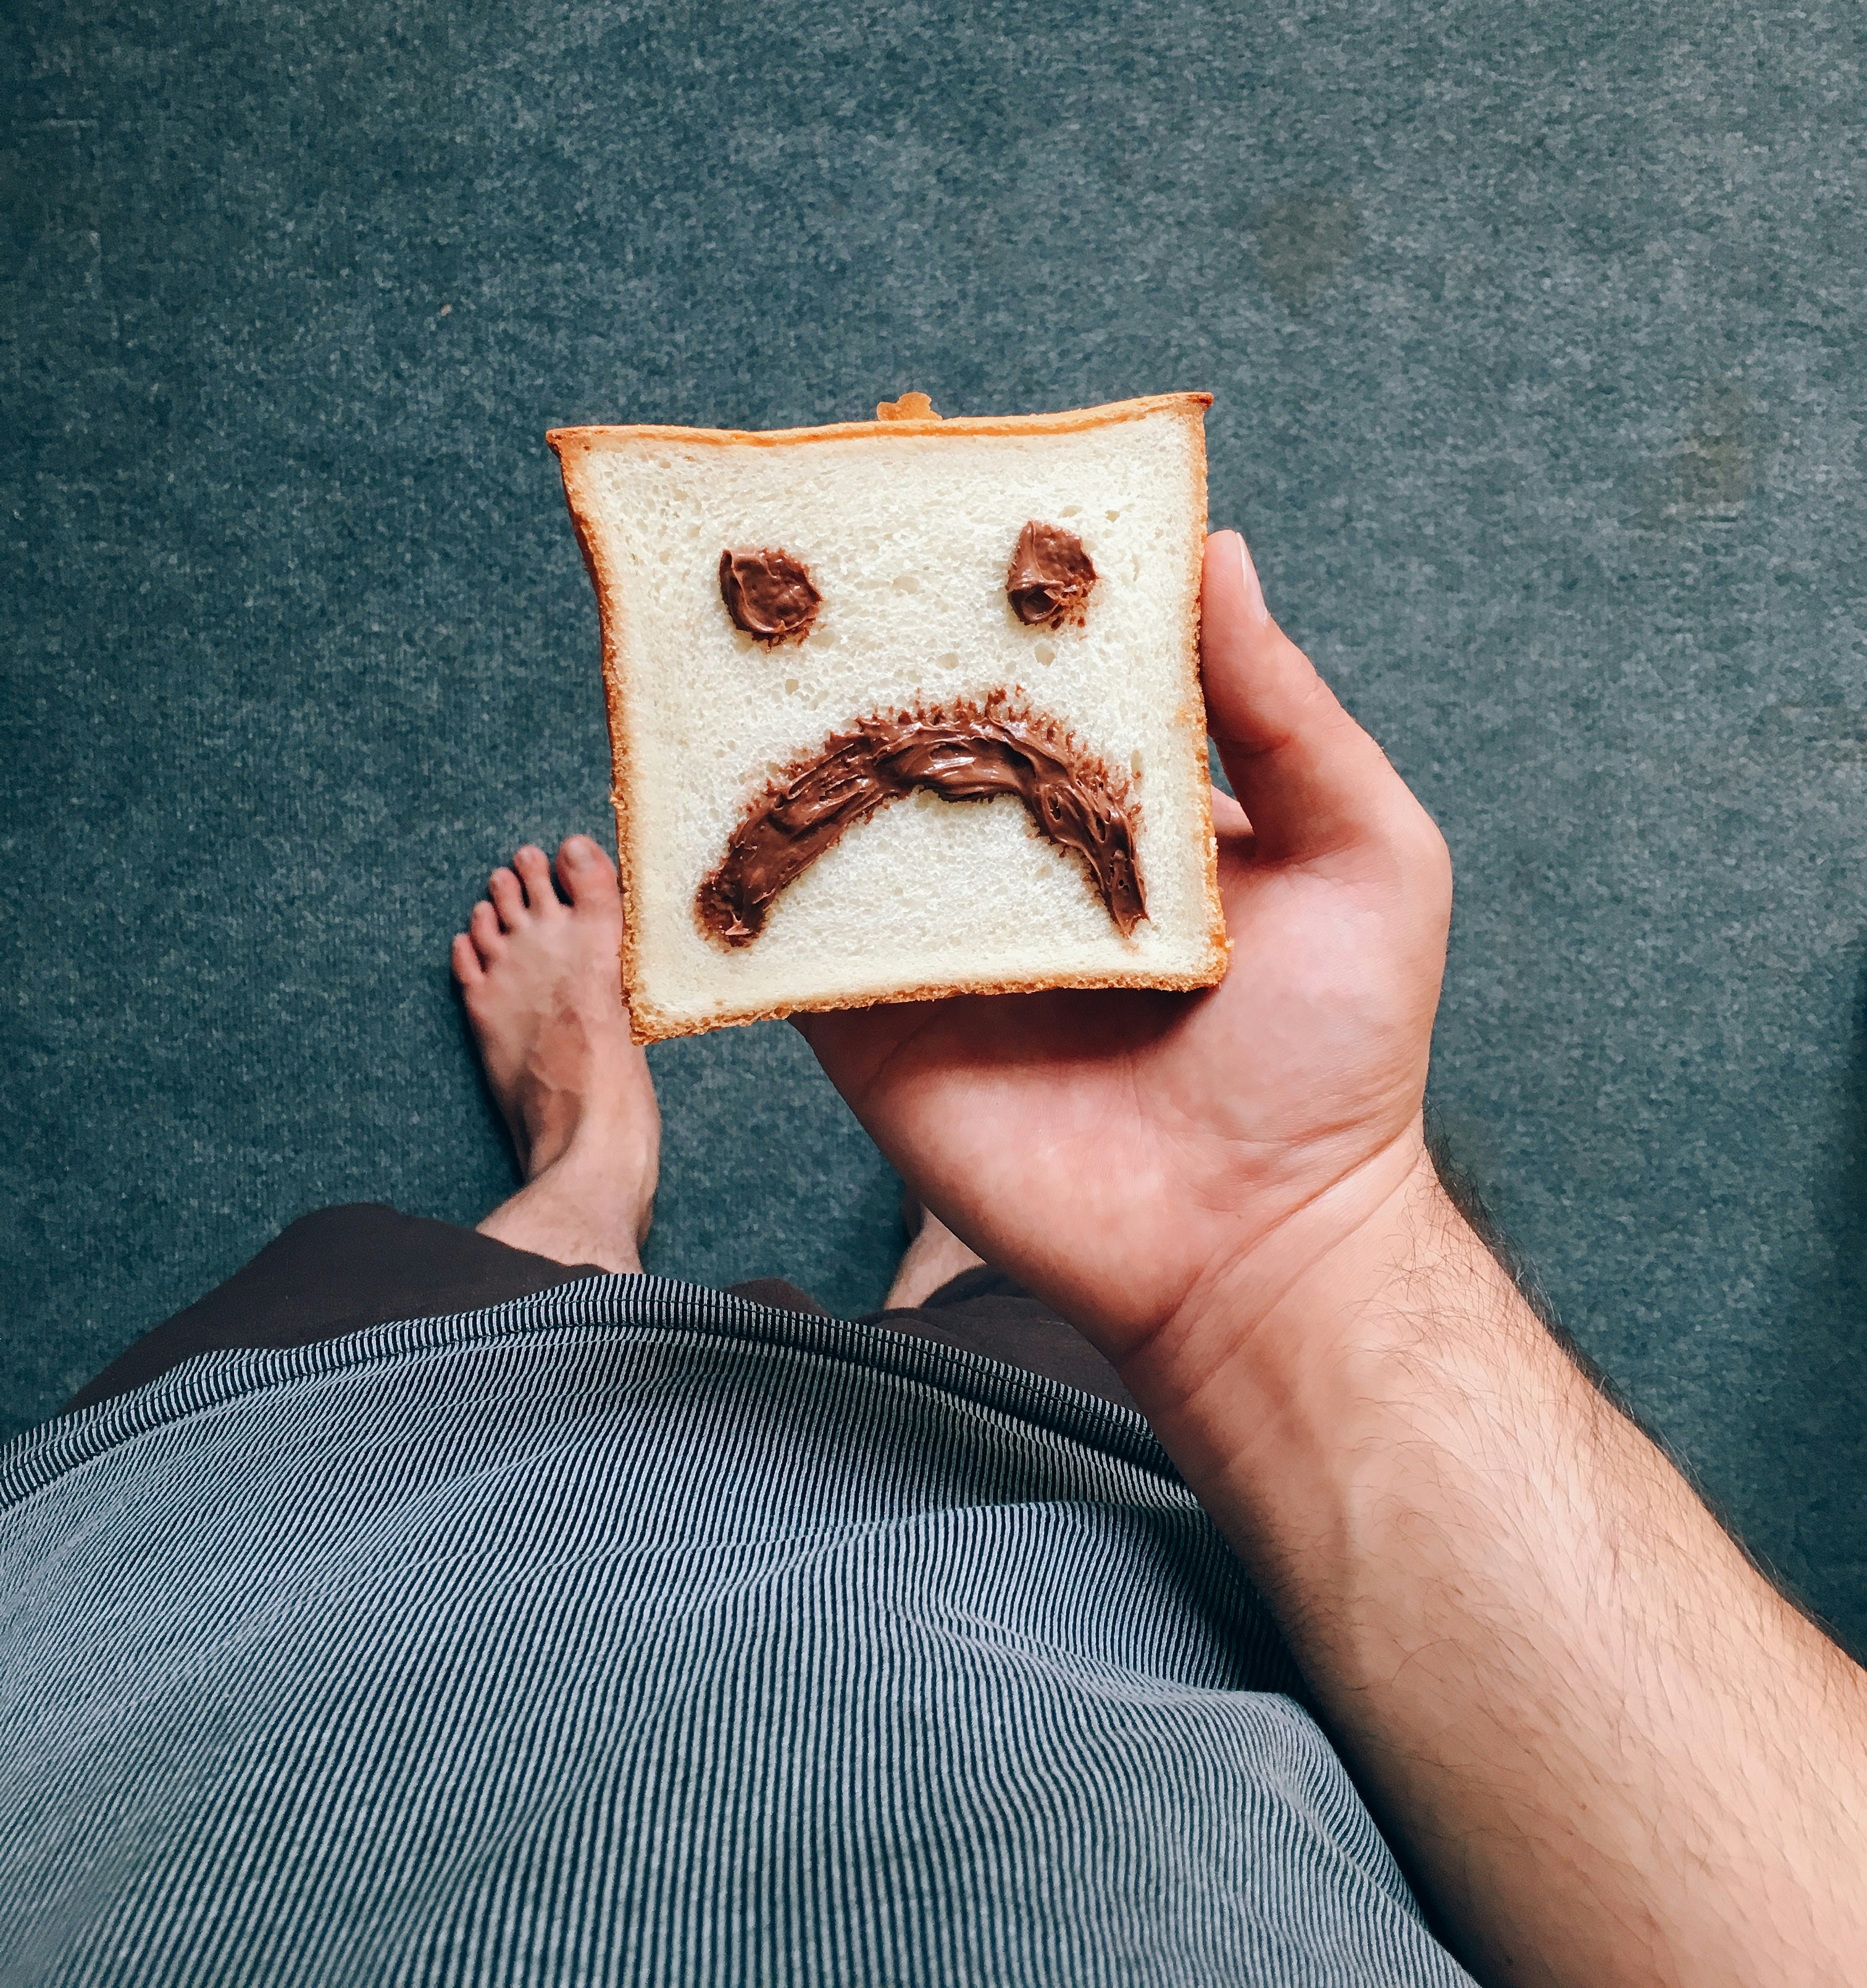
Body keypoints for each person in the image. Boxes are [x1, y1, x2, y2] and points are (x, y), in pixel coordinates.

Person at [3, 535, 1862, 1986]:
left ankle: (581, 1195)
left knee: (459, 1314)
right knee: (1033, 1341)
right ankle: (951, 1254)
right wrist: (1298, 1251)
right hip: (1056, 1580)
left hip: (246, 1566)